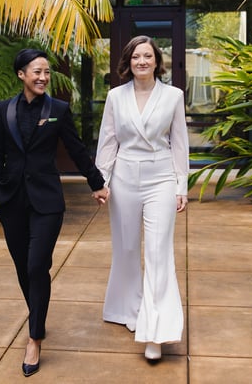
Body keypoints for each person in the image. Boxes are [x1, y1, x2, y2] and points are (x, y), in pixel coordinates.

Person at [0, 48, 109, 377]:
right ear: (21, 75)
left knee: (37, 264)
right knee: (22, 268)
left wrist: (96, 182)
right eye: (37, 71)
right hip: (12, 201)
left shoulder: (58, 109)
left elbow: (76, 148)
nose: (43, 77)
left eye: (46, 72)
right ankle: (38, 315)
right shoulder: (4, 111)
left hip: (47, 202)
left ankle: (35, 337)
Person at [95, 35, 189, 362]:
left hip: (160, 177)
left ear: (156, 61)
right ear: (128, 61)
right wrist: (101, 180)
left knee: (158, 251)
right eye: (136, 57)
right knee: (127, 247)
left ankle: (156, 332)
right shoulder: (115, 97)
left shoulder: (173, 96)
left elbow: (179, 144)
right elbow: (108, 141)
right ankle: (132, 309)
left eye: (148, 56)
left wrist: (181, 185)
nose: (142, 62)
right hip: (123, 179)